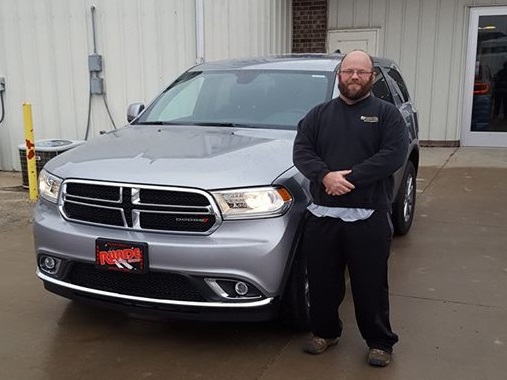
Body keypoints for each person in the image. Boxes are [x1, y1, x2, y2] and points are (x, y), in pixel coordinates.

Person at [292, 50, 408, 367]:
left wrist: (350, 179)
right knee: (322, 281)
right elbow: (302, 151)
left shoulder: (387, 115)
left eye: (361, 72)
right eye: (348, 71)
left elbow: (394, 154)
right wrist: (324, 176)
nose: (354, 77)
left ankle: (380, 342)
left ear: (371, 77)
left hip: (368, 217)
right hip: (322, 216)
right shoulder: (317, 115)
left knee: (370, 283)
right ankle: (325, 332)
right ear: (339, 75)